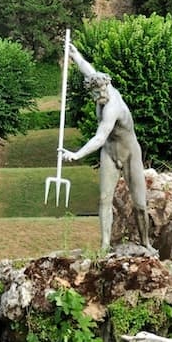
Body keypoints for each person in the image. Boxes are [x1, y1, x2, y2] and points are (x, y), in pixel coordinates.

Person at [60, 42, 151, 251]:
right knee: (103, 199)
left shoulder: (112, 107)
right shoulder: (97, 84)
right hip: (109, 153)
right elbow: (89, 70)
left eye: (100, 92)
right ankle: (105, 245)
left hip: (129, 154)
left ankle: (146, 242)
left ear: (106, 86)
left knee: (140, 205)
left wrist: (77, 154)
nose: (99, 98)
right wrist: (75, 56)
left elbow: (100, 137)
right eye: (94, 95)